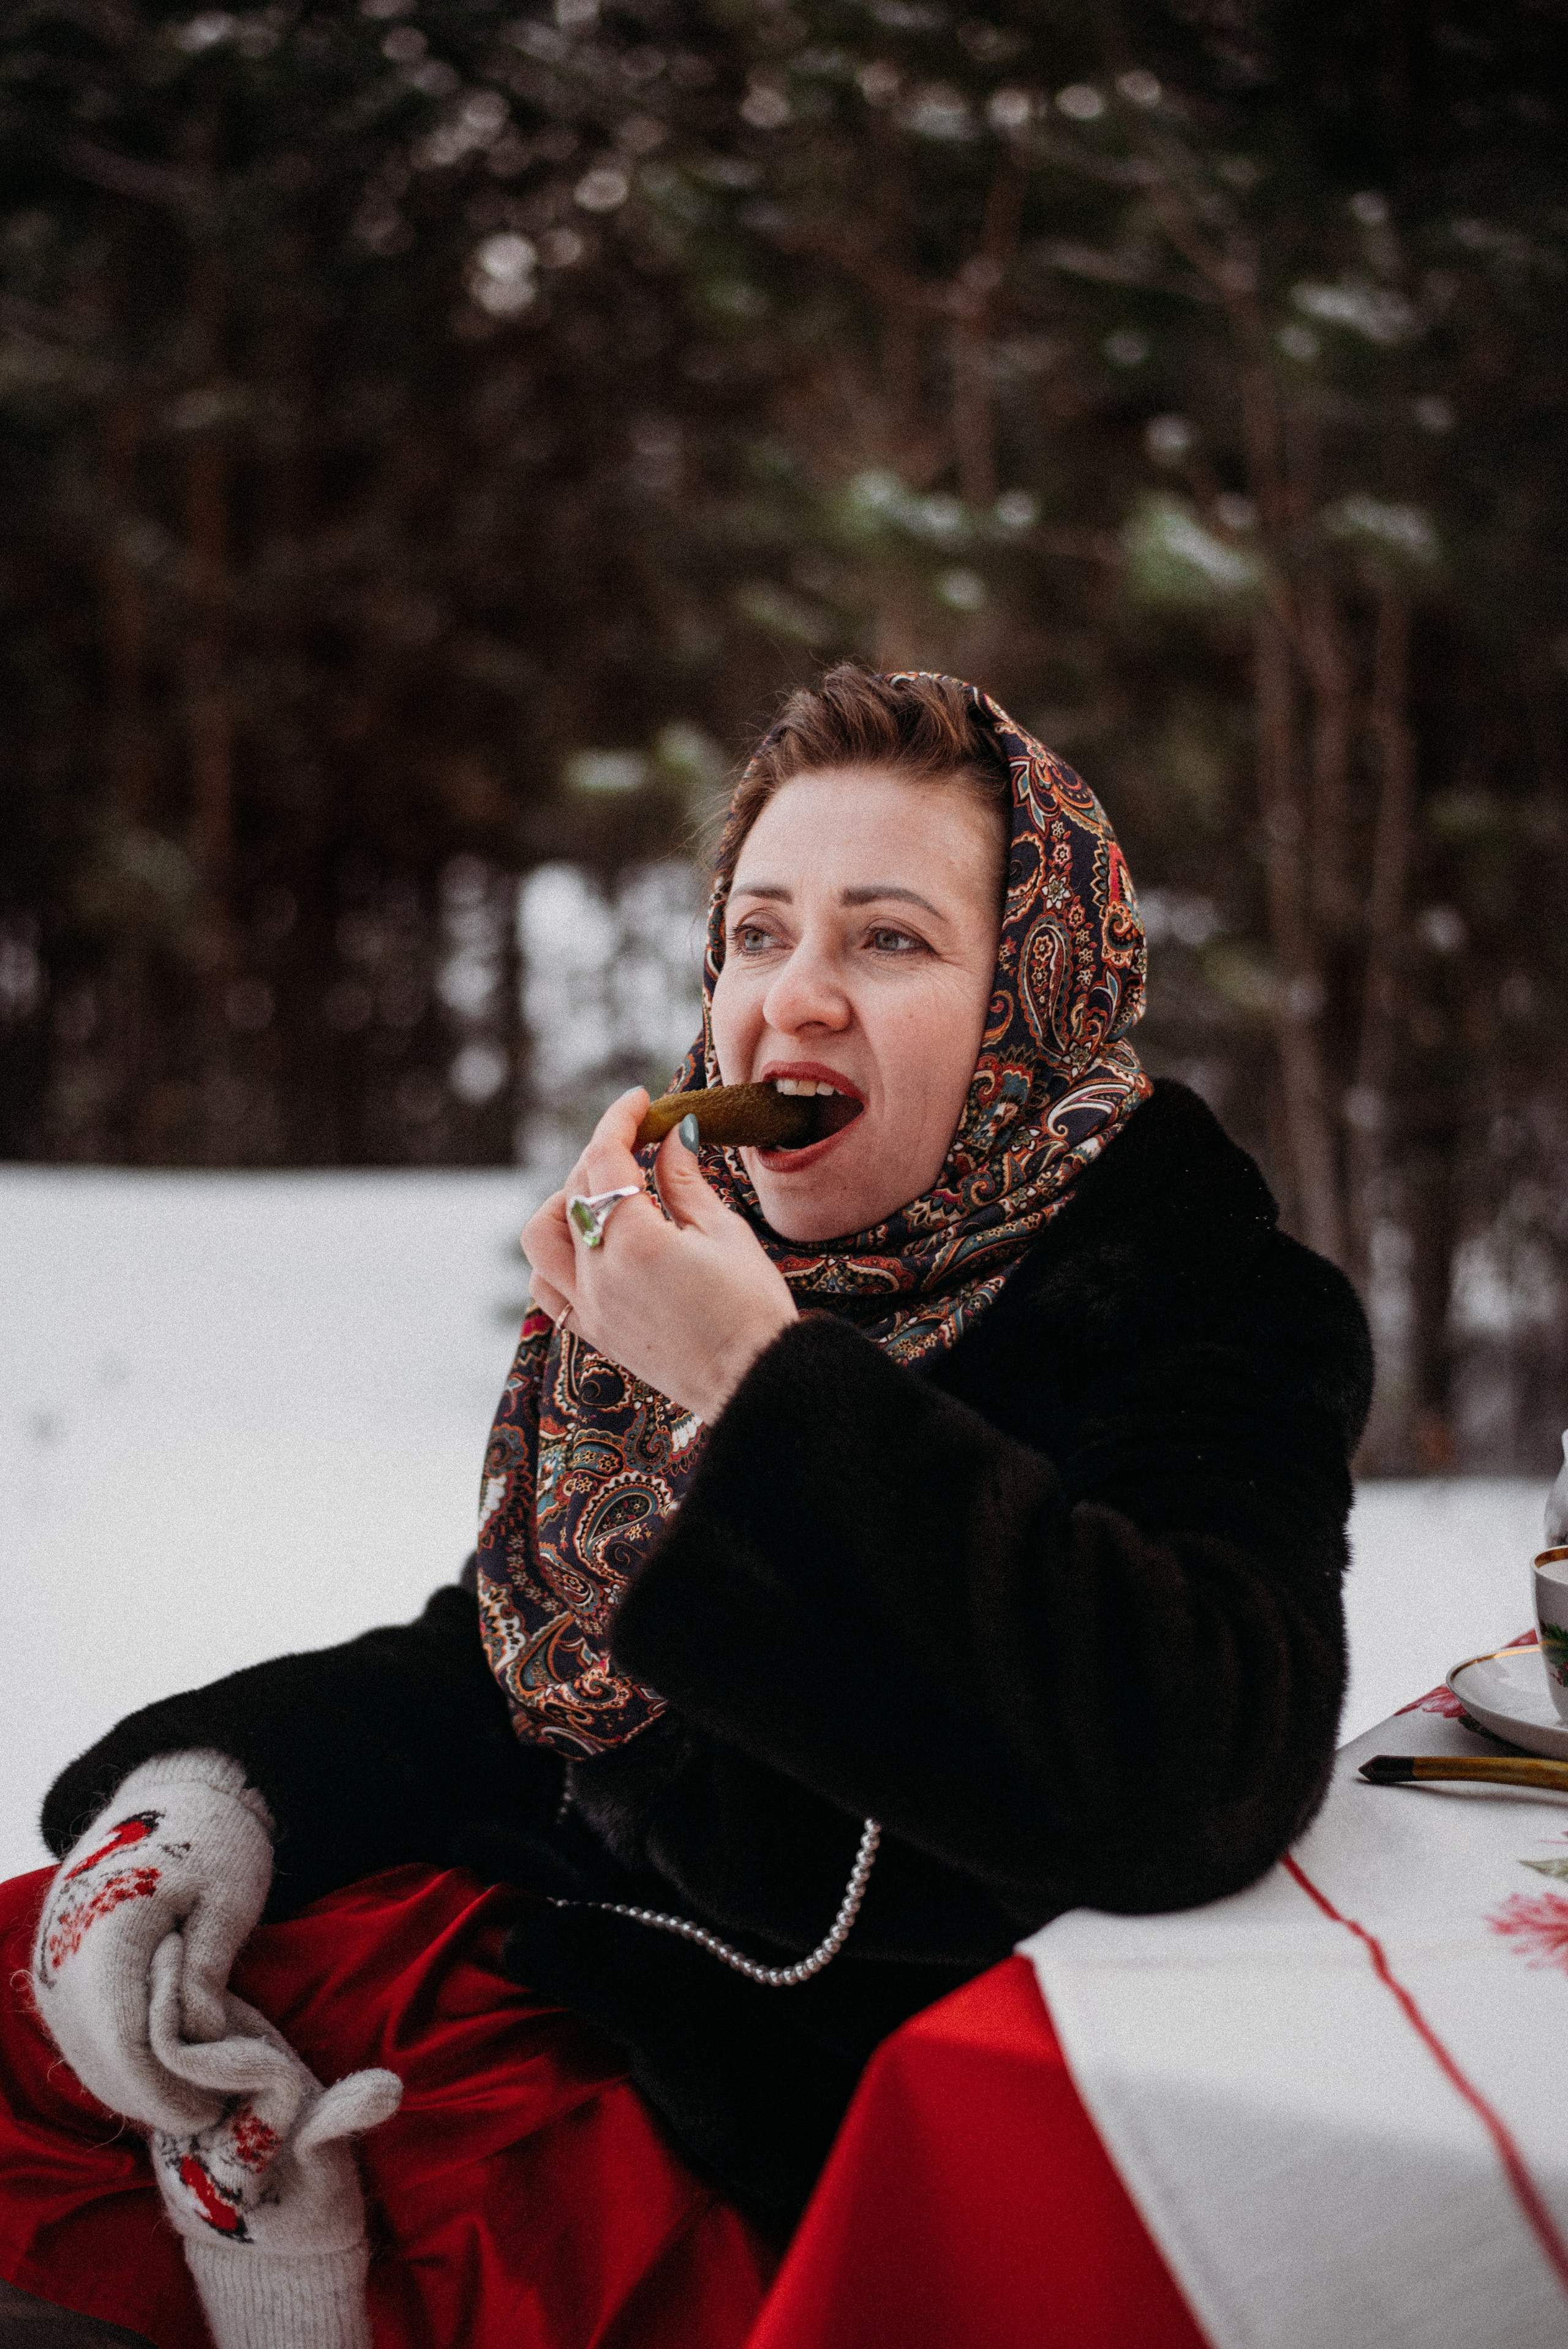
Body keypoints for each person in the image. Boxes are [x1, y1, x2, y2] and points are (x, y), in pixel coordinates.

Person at [0, 668, 1372, 2348]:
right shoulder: (715, 1236)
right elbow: (530, 1666)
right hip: (572, 1967)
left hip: (831, 2140)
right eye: (757, 933)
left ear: (1035, 993)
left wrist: (758, 1379)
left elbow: (1199, 1764)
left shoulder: (1210, 1300)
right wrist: (217, 1797)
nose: (796, 997)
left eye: (890, 940)